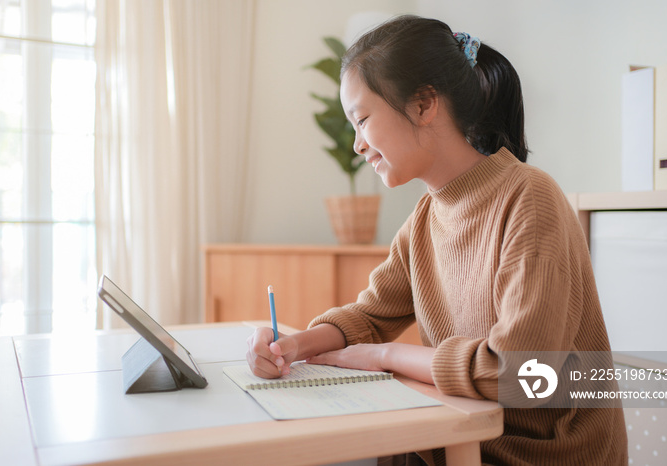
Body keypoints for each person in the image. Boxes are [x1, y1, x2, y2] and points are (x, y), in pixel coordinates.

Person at [246, 15, 627, 465]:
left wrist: (387, 355)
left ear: (425, 104)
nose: (357, 145)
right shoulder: (426, 216)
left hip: (536, 455)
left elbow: (521, 374)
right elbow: (370, 315)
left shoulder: (529, 198)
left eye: (363, 120)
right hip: (458, 435)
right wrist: (294, 345)